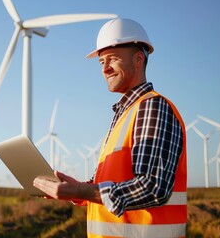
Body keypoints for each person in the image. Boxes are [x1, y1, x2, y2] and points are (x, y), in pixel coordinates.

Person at [33, 18, 187, 238]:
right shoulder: (124, 114)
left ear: (138, 59)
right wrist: (80, 191)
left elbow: (153, 187)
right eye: (101, 62)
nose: (105, 69)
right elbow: (114, 189)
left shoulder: (152, 107)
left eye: (112, 59)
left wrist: (83, 191)